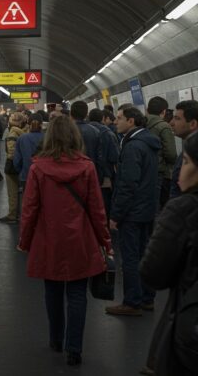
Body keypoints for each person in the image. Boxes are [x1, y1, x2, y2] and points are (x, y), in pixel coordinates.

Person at [17, 116, 113, 367]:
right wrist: (105, 241)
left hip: (49, 238)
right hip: (80, 238)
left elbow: (30, 209)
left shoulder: (38, 168)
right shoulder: (87, 167)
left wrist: (24, 240)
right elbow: (96, 209)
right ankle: (74, 349)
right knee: (78, 294)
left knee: (53, 290)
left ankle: (56, 339)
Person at [139, 133, 198, 376]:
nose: (179, 171)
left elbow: (153, 274)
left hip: (189, 327)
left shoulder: (184, 210)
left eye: (185, 162)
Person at [106, 107, 161, 316]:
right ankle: (147, 297)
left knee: (129, 257)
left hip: (132, 211)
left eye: (119, 119)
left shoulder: (132, 147)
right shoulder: (149, 143)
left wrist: (116, 214)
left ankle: (132, 301)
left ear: (131, 121)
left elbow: (127, 183)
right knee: (144, 254)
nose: (115, 121)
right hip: (147, 208)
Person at [145, 96, 177, 209]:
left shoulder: (141, 124)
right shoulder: (164, 126)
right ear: (164, 111)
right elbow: (171, 154)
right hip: (161, 173)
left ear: (147, 109)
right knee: (162, 204)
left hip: (144, 170)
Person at [88, 108, 120, 217]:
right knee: (105, 205)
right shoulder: (108, 133)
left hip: (86, 176)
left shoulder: (81, 131)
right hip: (105, 177)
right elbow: (114, 157)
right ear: (102, 118)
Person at [1, 112, 27, 223]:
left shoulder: (12, 133)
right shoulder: (26, 131)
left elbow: (11, 153)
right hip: (25, 166)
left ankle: (12, 215)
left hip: (12, 166)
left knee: (12, 192)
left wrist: (15, 166)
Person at [169, 100, 198, 198]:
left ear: (193, 124)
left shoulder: (193, 153)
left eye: (177, 118)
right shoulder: (188, 150)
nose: (171, 123)